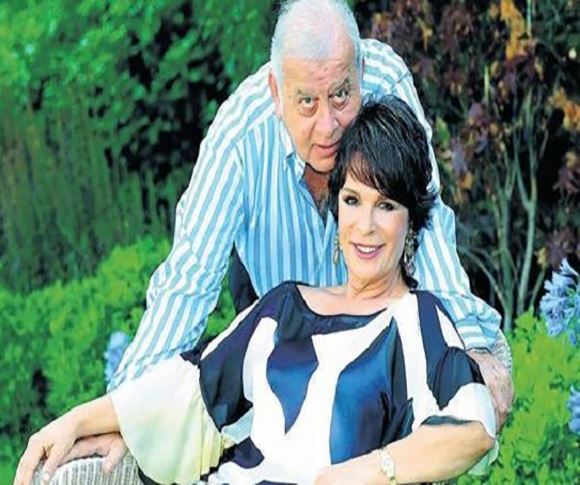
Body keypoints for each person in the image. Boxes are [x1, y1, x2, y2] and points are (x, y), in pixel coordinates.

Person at [15, 97, 497, 485]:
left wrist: (367, 472)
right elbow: (183, 392)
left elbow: (472, 430)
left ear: (411, 221)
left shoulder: (417, 321)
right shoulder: (283, 307)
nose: (365, 226)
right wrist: (75, 422)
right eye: (352, 200)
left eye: (386, 205)